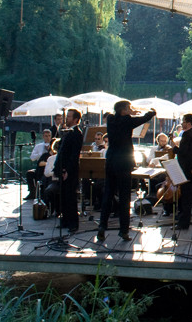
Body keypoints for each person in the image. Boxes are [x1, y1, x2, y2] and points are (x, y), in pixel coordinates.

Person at [97, 100, 156, 242]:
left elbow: (115, 115)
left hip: (111, 161)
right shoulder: (127, 121)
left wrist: (129, 112)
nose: (131, 109)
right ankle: (123, 231)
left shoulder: (111, 119)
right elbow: (143, 119)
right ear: (124, 110)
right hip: (123, 163)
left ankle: (102, 227)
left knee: (108, 194)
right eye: (129, 108)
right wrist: (151, 112)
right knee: (124, 197)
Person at [52, 108, 84, 233]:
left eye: (69, 116)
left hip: (69, 170)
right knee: (64, 196)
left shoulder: (77, 133)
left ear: (76, 119)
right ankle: (65, 221)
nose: (67, 118)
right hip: (62, 168)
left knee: (70, 197)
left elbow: (73, 155)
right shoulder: (68, 132)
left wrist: (66, 170)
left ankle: (73, 223)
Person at [174, 113, 192, 230]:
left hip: (186, 169)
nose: (182, 123)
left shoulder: (186, 135)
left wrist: (174, 148)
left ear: (189, 123)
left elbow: (183, 152)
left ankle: (183, 222)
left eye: (183, 121)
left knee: (186, 197)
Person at [27, 129, 53, 197]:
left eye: (49, 136)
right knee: (29, 173)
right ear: (43, 137)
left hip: (49, 167)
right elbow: (32, 158)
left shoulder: (54, 145)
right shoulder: (39, 146)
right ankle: (32, 192)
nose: (47, 138)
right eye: (46, 136)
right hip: (40, 167)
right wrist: (41, 154)